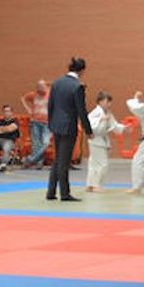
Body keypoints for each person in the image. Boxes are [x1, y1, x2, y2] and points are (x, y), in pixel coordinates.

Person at [46, 57, 92, 202]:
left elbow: (50, 105)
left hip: (56, 125)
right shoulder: (77, 86)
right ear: (82, 70)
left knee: (58, 159)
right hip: (68, 126)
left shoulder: (57, 83)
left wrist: (51, 123)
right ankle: (65, 194)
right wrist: (88, 130)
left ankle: (51, 192)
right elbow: (81, 110)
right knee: (64, 161)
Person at [86, 91, 128, 192]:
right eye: (107, 101)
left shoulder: (108, 113)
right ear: (100, 102)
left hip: (101, 140)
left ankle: (90, 185)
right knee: (102, 164)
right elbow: (91, 127)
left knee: (93, 164)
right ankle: (96, 185)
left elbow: (115, 126)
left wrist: (125, 128)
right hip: (96, 140)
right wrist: (101, 119)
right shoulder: (95, 113)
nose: (109, 104)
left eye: (110, 102)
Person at [21, 79, 51, 169]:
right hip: (35, 122)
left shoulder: (51, 94)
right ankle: (39, 163)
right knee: (36, 144)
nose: (41, 89)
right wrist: (28, 109)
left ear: (46, 86)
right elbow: (23, 98)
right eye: (39, 87)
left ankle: (30, 160)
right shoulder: (34, 94)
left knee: (45, 143)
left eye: (42, 86)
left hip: (47, 123)